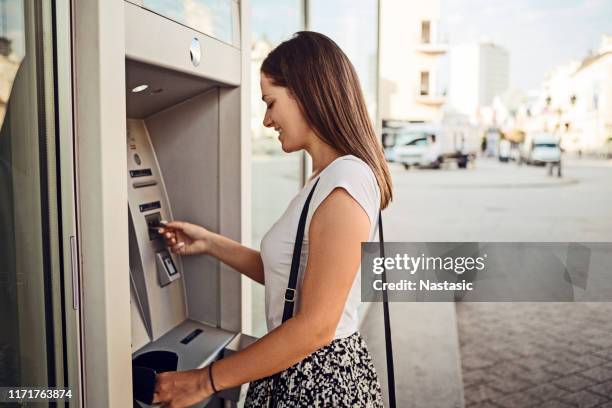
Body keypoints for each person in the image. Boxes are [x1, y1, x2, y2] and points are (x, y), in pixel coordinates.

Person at [153, 31, 393, 408]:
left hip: (320, 384)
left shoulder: (346, 181)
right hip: (301, 374)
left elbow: (315, 326)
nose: (267, 120)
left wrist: (203, 382)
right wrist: (210, 243)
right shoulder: (325, 179)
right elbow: (293, 280)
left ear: (306, 94)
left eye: (270, 103)